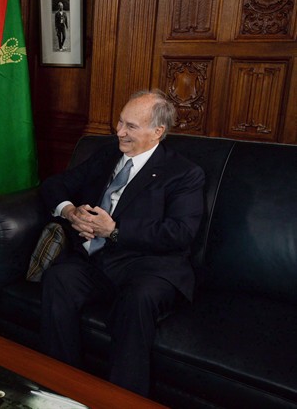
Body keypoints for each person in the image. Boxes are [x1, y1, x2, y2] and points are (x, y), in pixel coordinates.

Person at [39, 89, 205, 396]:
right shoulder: (108, 154)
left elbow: (179, 233)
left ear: (158, 131)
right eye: (119, 122)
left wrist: (114, 230)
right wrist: (70, 211)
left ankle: (121, 400)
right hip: (97, 263)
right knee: (59, 278)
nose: (119, 132)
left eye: (130, 126)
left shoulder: (184, 174)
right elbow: (55, 184)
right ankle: (60, 389)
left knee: (137, 299)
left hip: (149, 268)